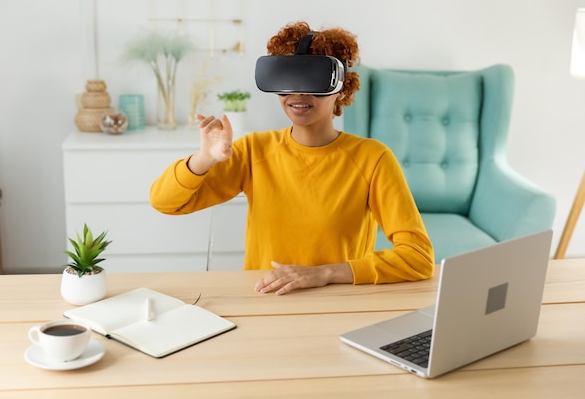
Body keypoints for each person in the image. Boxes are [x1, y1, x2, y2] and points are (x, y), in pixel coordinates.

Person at [150, 21, 434, 295]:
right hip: (266, 298)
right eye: (288, 80)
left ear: (343, 89)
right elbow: (165, 202)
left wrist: (324, 273)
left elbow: (418, 257)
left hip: (339, 302)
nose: (298, 93)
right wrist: (204, 159)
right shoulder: (254, 151)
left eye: (313, 80)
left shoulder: (373, 159)